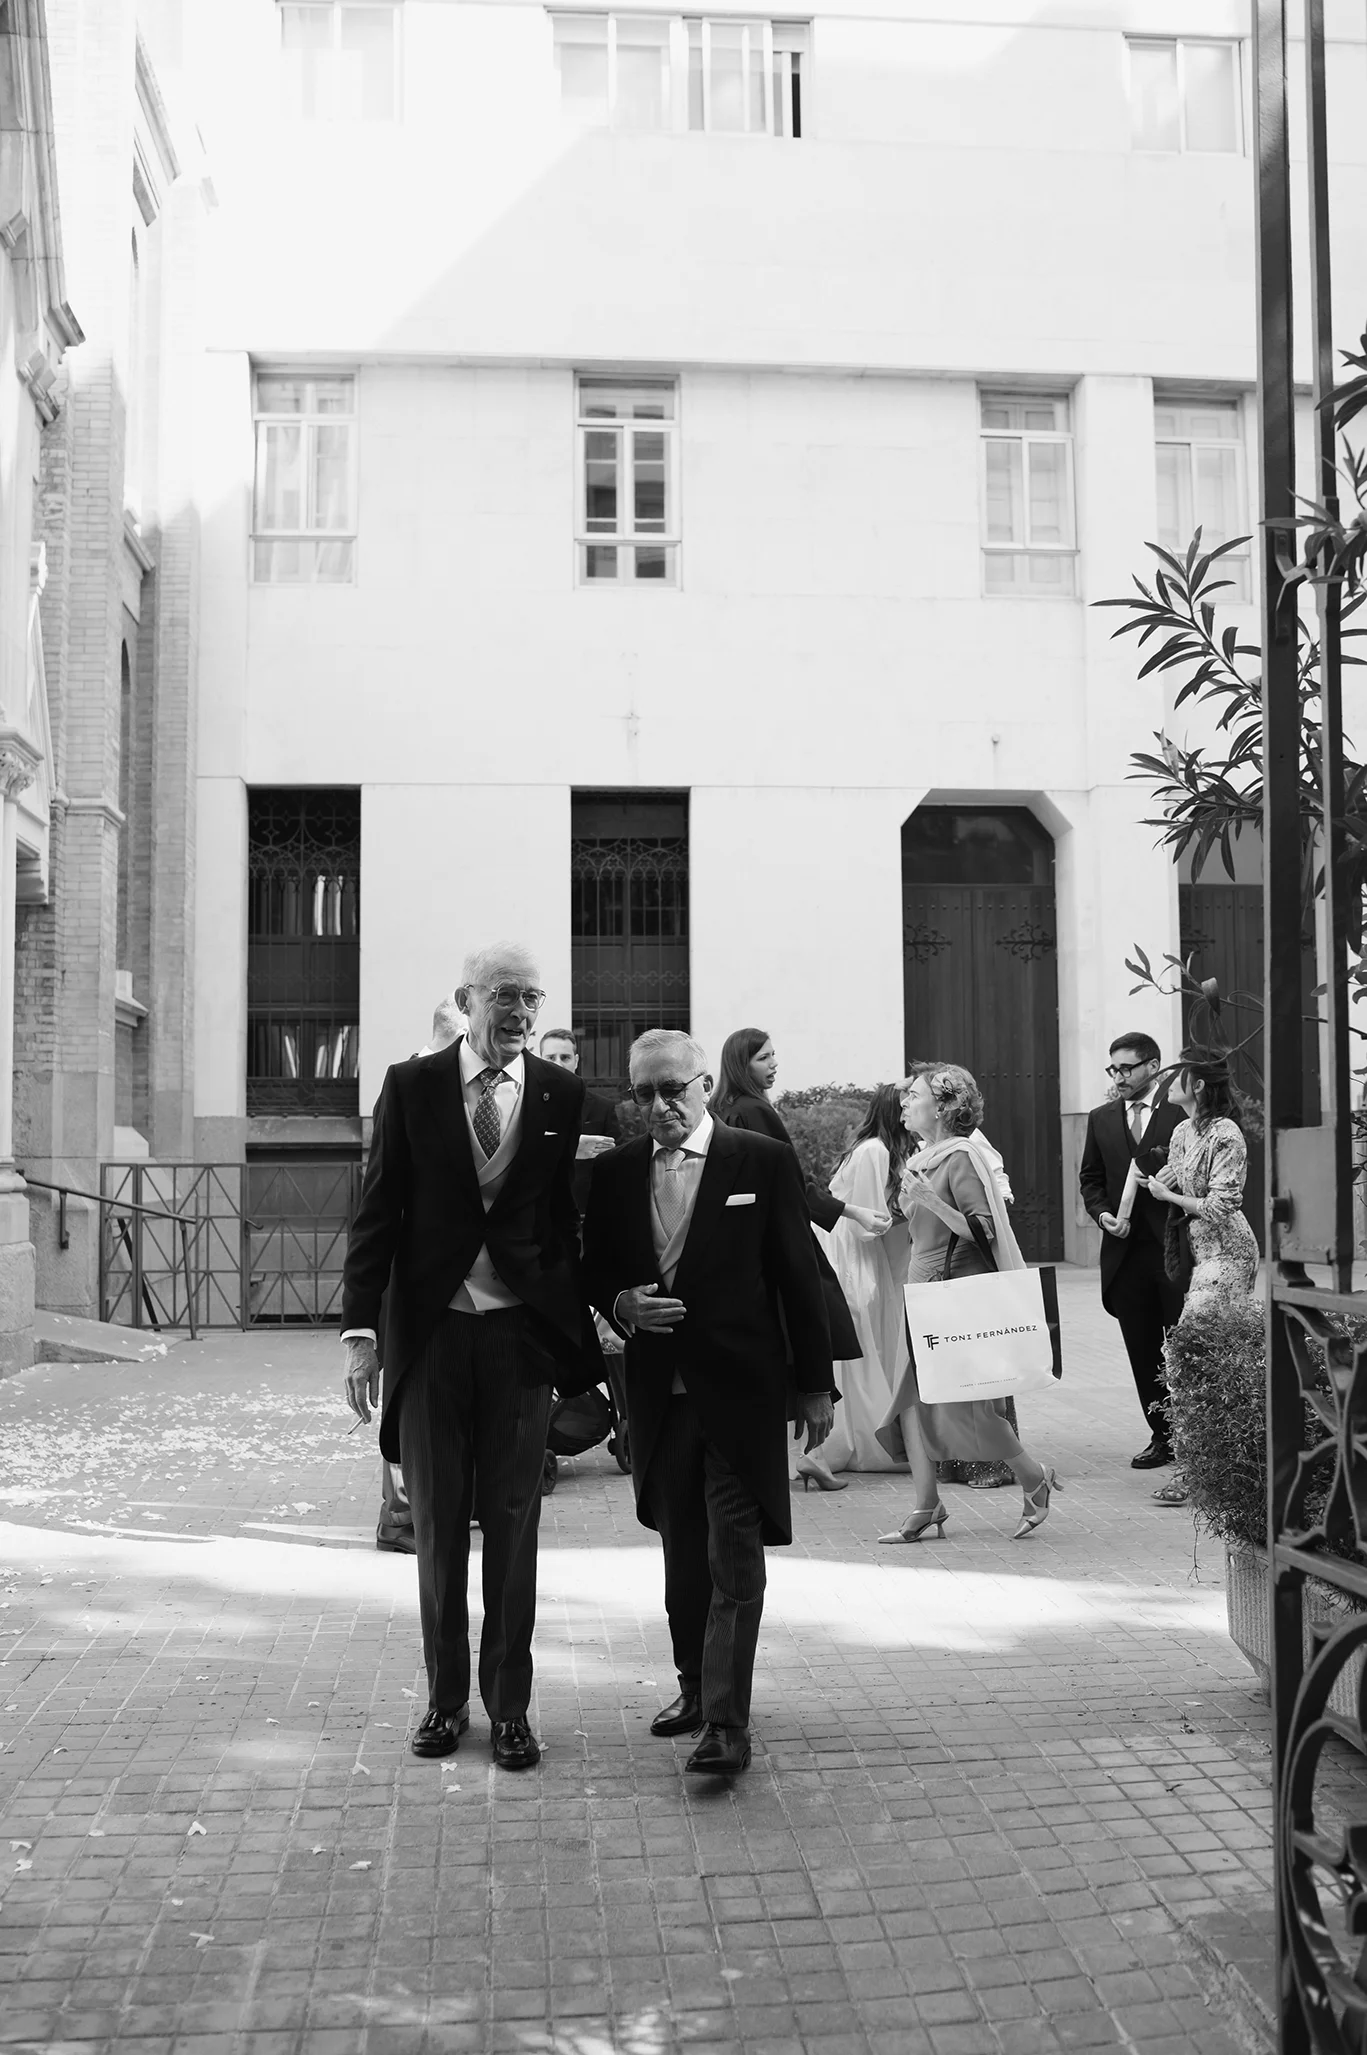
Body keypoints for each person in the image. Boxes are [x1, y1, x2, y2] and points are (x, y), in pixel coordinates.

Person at [340, 943, 602, 1771]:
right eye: (505, 995)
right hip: (433, 1335)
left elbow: (559, 1221)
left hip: (519, 1338)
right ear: (466, 998)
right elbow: (378, 1211)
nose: (520, 1012)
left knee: (515, 1525)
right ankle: (446, 1699)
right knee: (438, 1526)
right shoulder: (410, 1084)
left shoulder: (558, 1091)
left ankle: (510, 1707)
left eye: (532, 997)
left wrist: (578, 1318)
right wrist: (362, 1333)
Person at [583, 1029, 835, 1778]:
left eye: (672, 1089)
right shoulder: (616, 1171)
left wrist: (814, 1384)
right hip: (657, 1397)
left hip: (741, 1392)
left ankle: (727, 1721)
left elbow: (798, 1275)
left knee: (734, 1553)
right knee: (682, 1552)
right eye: (644, 1093)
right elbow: (592, 1268)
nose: (659, 1106)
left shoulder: (760, 1159)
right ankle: (694, 1687)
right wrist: (622, 1302)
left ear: (703, 1085)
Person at [875, 1065, 1061, 1543]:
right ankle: (926, 1505)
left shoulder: (960, 1156)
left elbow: (984, 1229)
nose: (903, 1104)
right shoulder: (924, 1158)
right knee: (911, 1401)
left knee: (971, 1408)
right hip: (923, 1290)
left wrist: (928, 1200)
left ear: (942, 1107)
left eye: (913, 1096)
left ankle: (1033, 1476)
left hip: (955, 1295)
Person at [709, 1027, 885, 1490]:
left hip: (742, 1249)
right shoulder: (753, 1111)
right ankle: (807, 1456)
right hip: (772, 1244)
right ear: (741, 1064)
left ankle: (809, 1457)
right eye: (763, 1058)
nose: (773, 1064)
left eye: (773, 1055)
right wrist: (848, 1211)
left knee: (781, 1349)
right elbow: (787, 1180)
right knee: (800, 1340)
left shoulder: (725, 1109)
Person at [1141, 1049, 1258, 1507]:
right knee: (1215, 1357)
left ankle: (1194, 1471)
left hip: (1230, 1252)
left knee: (1186, 1352)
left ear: (1200, 1084)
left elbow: (1221, 1205)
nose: (1170, 1080)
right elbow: (1176, 1182)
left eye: (1179, 1074)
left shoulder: (1226, 1133)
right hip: (1202, 1253)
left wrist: (1168, 1195)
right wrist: (1158, 1182)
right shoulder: (1182, 1131)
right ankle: (1224, 1464)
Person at [375, 994, 465, 1556]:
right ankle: (400, 1515)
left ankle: (430, 1507)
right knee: (404, 1396)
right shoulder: (407, 1084)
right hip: (411, 1273)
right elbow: (383, 1196)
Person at [1078, 1031, 1186, 1469]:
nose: (1118, 1077)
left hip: (1175, 1250)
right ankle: (1162, 1438)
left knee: (1184, 1347)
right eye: (1113, 1069)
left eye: (1127, 1068)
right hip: (1124, 1257)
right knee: (1142, 1352)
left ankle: (1195, 1437)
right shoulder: (1100, 1118)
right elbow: (1090, 1179)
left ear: (1153, 1066)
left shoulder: (1181, 1112)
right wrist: (1103, 1214)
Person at [807, 1085, 913, 1475]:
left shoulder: (883, 1150)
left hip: (860, 1250)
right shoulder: (876, 1151)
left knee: (868, 1337)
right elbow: (870, 1223)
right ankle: (851, 1442)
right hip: (852, 1252)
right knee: (862, 1337)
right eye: (908, 1102)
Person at [539, 1026, 619, 1210]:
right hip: (536, 1212)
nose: (558, 1064)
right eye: (550, 1058)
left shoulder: (603, 1107)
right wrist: (570, 1146)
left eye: (565, 1057)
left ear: (576, 1061)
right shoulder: (524, 1104)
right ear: (540, 1061)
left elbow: (617, 1162)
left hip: (586, 1211)